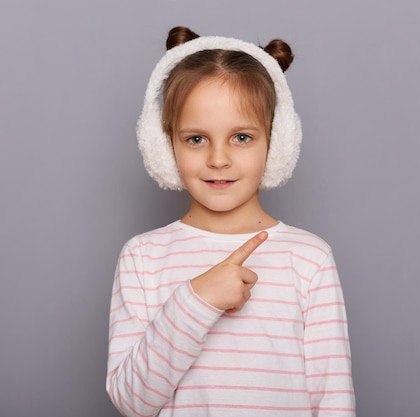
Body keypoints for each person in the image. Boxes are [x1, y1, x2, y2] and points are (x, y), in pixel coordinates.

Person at [106, 26, 355, 417]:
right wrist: (195, 301)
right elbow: (132, 402)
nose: (218, 159)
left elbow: (333, 400)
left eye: (241, 137)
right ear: (163, 145)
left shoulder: (309, 258)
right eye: (196, 139)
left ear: (277, 143)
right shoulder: (144, 256)